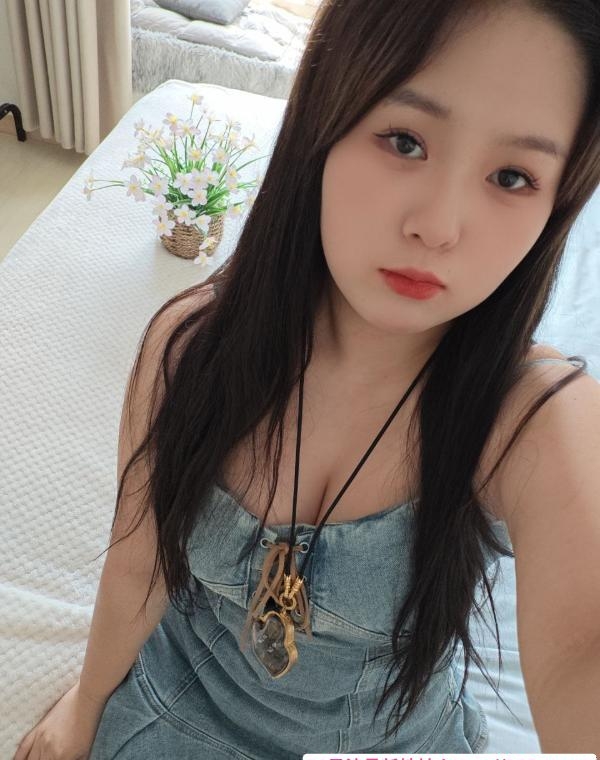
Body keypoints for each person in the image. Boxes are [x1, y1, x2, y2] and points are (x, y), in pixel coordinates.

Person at [14, 0, 600, 757]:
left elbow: (582, 653)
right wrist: (88, 703)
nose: (439, 226)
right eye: (405, 140)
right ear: (323, 123)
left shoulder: (533, 420)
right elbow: (137, 563)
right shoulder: (192, 351)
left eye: (513, 176)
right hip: (180, 704)